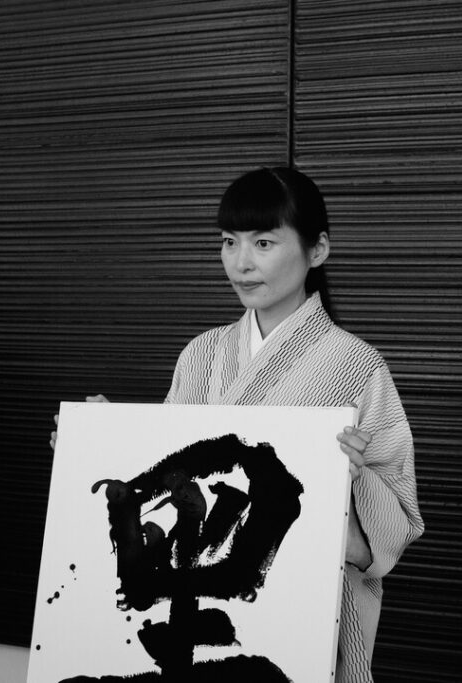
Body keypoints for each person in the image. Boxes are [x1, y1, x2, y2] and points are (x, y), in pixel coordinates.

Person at [51, 166, 424, 683]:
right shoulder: (202, 355)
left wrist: (351, 480)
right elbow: (169, 478)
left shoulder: (357, 366)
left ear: (317, 250)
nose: (241, 263)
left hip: (293, 621)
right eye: (230, 242)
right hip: (187, 603)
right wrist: (97, 442)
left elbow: (390, 536)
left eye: (264, 243)